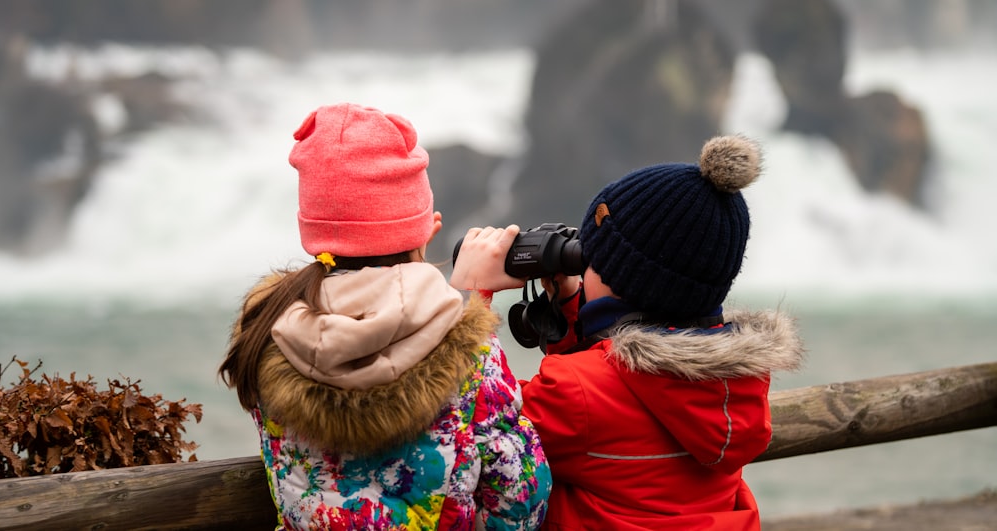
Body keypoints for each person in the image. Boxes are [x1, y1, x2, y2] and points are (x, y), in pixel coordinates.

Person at [218, 102, 551, 530]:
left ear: (314, 231)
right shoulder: (469, 350)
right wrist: (474, 302)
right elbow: (520, 493)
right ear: (427, 229)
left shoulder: (267, 328)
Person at [453, 135, 804, 530]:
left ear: (623, 280)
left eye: (592, 261)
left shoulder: (574, 393)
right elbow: (621, 388)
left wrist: (471, 299)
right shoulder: (738, 384)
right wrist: (574, 315)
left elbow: (476, 422)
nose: (583, 270)